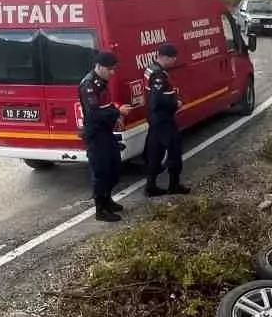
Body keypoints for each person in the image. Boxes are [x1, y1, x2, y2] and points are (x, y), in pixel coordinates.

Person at [79, 51, 132, 222]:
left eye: (114, 69)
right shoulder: (89, 85)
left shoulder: (101, 82)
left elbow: (106, 105)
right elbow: (94, 114)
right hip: (96, 135)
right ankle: (100, 210)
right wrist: (118, 112)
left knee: (114, 168)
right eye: (110, 69)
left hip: (106, 132)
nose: (112, 73)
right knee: (101, 172)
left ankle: (108, 199)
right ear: (99, 66)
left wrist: (116, 116)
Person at [144, 43, 191, 199]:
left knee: (155, 153)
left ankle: (150, 186)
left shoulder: (150, 69)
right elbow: (156, 100)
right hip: (163, 120)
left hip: (154, 119)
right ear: (164, 57)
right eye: (173, 58)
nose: (174, 61)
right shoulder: (158, 75)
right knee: (174, 151)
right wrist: (175, 104)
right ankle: (174, 185)